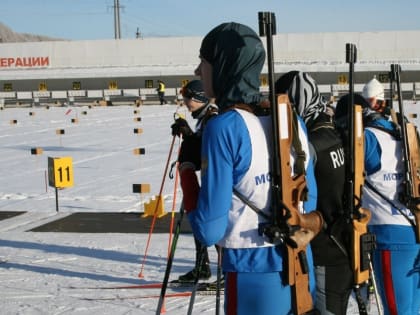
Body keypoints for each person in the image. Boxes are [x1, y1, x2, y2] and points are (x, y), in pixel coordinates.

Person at [183, 22, 319, 315]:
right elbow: (310, 200)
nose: (197, 71)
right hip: (299, 265)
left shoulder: (223, 127)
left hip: (251, 273)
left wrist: (186, 172)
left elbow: (208, 229)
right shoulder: (291, 120)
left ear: (223, 66)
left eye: (203, 61)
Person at [335, 91, 420, 315]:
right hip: (413, 227)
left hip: (389, 235)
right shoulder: (398, 130)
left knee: (397, 310)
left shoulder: (368, 138)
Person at [276, 71, 352, 315]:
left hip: (322, 250)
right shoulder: (335, 132)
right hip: (343, 242)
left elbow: (300, 199)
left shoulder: (308, 144)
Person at [171, 79, 218, 282]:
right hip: (209, 178)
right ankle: (202, 266)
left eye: (188, 98)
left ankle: (225, 270)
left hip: (218, 181)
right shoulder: (205, 117)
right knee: (201, 218)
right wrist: (188, 133)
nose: (186, 102)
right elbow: (201, 143)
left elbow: (210, 149)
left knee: (215, 222)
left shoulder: (213, 116)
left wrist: (190, 141)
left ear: (200, 98)